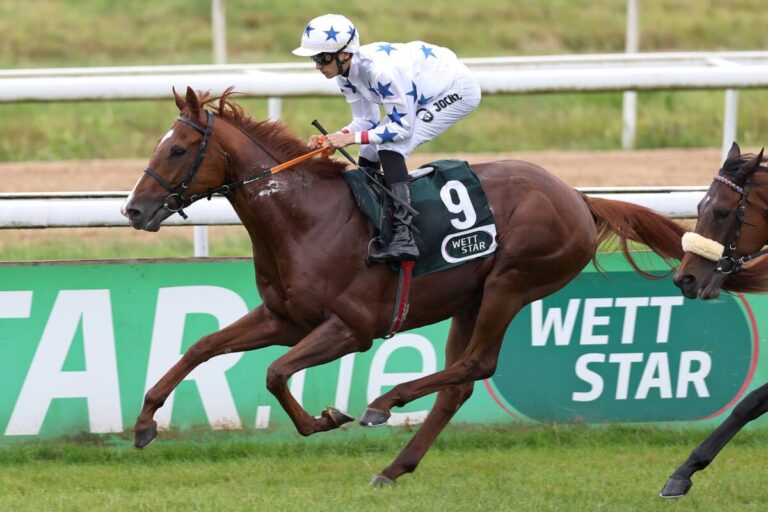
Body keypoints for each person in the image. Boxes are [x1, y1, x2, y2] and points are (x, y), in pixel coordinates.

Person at [292, 13, 482, 263]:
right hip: (423, 90)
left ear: (345, 54)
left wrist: (349, 139)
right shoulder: (344, 74)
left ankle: (405, 235)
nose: (318, 65)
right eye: (314, 58)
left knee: (391, 145)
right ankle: (374, 222)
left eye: (323, 58)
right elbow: (366, 122)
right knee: (370, 149)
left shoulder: (382, 72)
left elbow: (402, 128)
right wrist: (336, 137)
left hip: (455, 90)